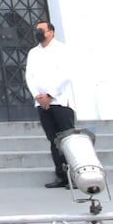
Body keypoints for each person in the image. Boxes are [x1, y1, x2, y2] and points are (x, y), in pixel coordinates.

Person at [25, 19, 76, 188]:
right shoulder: (34, 52)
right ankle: (61, 175)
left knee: (67, 138)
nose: (38, 33)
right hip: (42, 103)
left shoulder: (61, 49)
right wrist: (38, 96)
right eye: (37, 30)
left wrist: (50, 95)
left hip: (60, 102)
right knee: (54, 140)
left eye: (41, 30)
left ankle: (75, 176)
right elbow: (30, 76)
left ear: (51, 32)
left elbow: (65, 74)